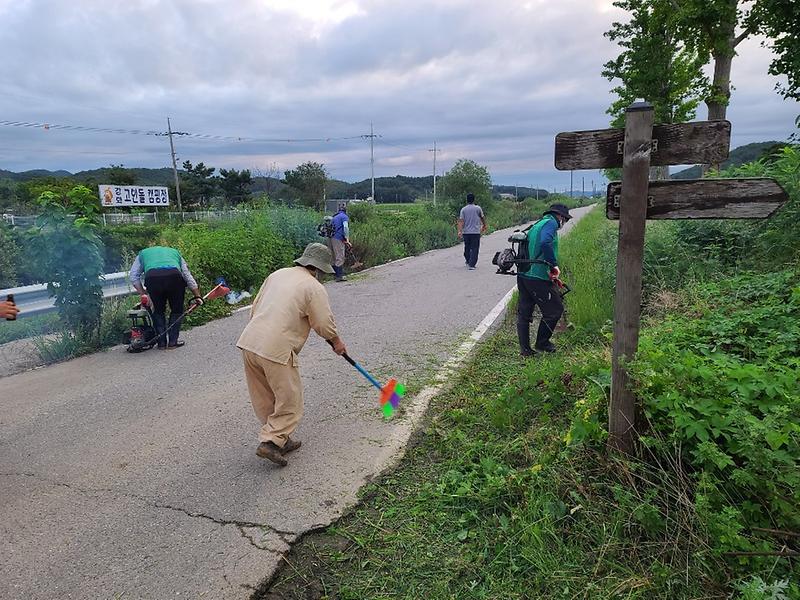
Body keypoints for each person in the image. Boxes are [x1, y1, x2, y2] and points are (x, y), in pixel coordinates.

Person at [237, 242, 348, 466]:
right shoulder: (313, 286)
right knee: (290, 399)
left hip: (250, 341)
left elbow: (256, 305)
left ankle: (280, 438)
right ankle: (271, 442)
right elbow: (323, 323)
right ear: (319, 268)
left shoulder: (277, 274)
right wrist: (336, 341)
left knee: (265, 395)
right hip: (275, 348)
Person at [517, 203, 572, 356]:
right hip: (537, 275)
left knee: (524, 312)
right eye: (565, 219)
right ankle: (542, 343)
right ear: (560, 216)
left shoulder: (538, 223)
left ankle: (526, 350)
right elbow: (545, 242)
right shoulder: (551, 223)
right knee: (555, 310)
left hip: (524, 273)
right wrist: (553, 265)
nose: (563, 223)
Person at [129, 244, 202, 349]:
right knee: (177, 310)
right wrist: (197, 296)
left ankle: (161, 343)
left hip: (152, 279)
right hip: (174, 277)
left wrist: (144, 294)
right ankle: (172, 342)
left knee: (158, 311)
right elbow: (187, 275)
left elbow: (133, 276)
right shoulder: (175, 252)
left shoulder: (142, 254)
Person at [457, 193, 487, 270]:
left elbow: (461, 221)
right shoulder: (478, 208)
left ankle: (468, 260)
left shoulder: (463, 209)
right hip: (475, 232)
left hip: (466, 232)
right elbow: (482, 217)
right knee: (474, 248)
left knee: (467, 247)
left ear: (467, 200)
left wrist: (460, 231)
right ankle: (472, 264)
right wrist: (484, 225)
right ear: (474, 200)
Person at [330, 203, 352, 282]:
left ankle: (335, 274)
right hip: (338, 238)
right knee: (340, 256)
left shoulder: (334, 217)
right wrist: (347, 239)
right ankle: (339, 276)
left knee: (334, 256)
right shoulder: (344, 217)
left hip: (331, 238)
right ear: (345, 210)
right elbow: (345, 228)